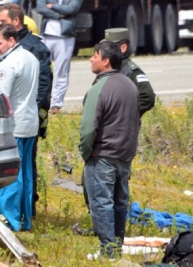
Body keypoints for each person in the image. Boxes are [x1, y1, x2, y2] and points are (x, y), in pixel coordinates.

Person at [80, 41, 140, 260]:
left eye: (94, 56)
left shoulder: (99, 88)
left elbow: (88, 129)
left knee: (102, 203)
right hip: (124, 155)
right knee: (119, 202)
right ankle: (116, 248)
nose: (90, 59)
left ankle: (108, 252)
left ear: (105, 60)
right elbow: (135, 121)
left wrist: (86, 153)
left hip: (102, 156)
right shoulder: (130, 85)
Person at [0, 3, 52, 215]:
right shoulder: (3, 43)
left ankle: (22, 211)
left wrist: (32, 108)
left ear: (16, 21)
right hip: (19, 118)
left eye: (3, 21)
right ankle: (21, 212)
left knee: (22, 167)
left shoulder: (34, 47)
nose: (0, 24)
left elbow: (43, 85)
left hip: (22, 119)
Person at [0, 24, 39, 232]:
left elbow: (1, 100)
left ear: (11, 41)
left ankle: (10, 219)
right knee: (26, 174)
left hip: (14, 126)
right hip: (30, 123)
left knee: (10, 175)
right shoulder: (31, 58)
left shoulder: (7, 65)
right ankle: (25, 219)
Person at [36, 0, 82, 115]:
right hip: (47, 35)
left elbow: (72, 9)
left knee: (62, 70)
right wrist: (58, 14)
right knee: (42, 69)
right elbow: (40, 7)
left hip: (65, 37)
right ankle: (42, 100)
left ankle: (56, 104)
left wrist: (53, 6)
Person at [103, 28, 156, 116]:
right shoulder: (108, 67)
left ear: (123, 48)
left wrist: (123, 114)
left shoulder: (132, 72)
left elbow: (147, 97)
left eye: (109, 47)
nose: (104, 51)